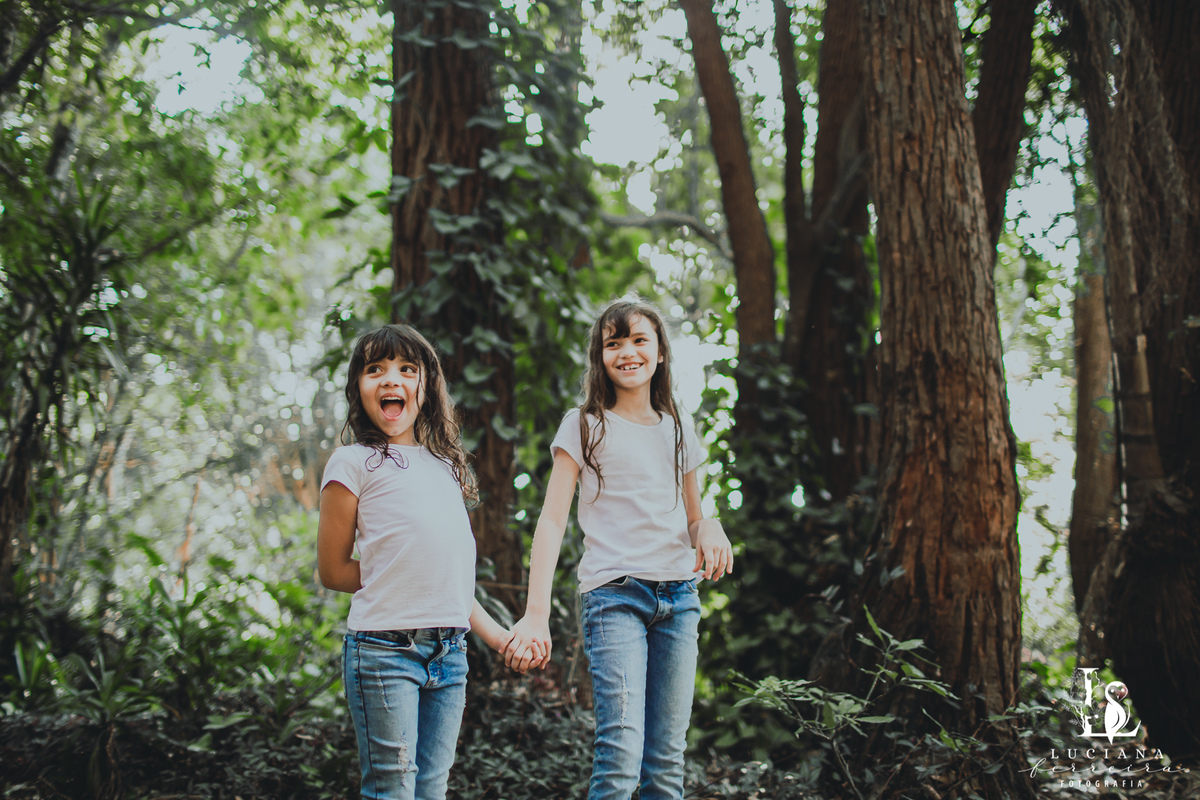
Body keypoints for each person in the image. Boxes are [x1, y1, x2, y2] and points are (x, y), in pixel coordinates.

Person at [504, 299, 734, 800]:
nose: (626, 351)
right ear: (599, 357)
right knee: (621, 753)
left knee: (666, 762)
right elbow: (551, 520)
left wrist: (710, 527)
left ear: (660, 354)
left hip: (679, 601)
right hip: (615, 599)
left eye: (638, 340)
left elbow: (694, 519)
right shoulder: (585, 424)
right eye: (613, 343)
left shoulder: (679, 427)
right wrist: (535, 613)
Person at [317, 323, 536, 800]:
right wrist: (395, 573)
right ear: (358, 386)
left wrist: (501, 639)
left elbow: (451, 582)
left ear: (426, 386)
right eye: (375, 369)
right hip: (383, 653)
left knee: (431, 790)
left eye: (406, 369)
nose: (391, 379)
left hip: (450, 655)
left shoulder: (446, 466)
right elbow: (333, 571)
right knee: (393, 790)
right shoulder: (352, 463)